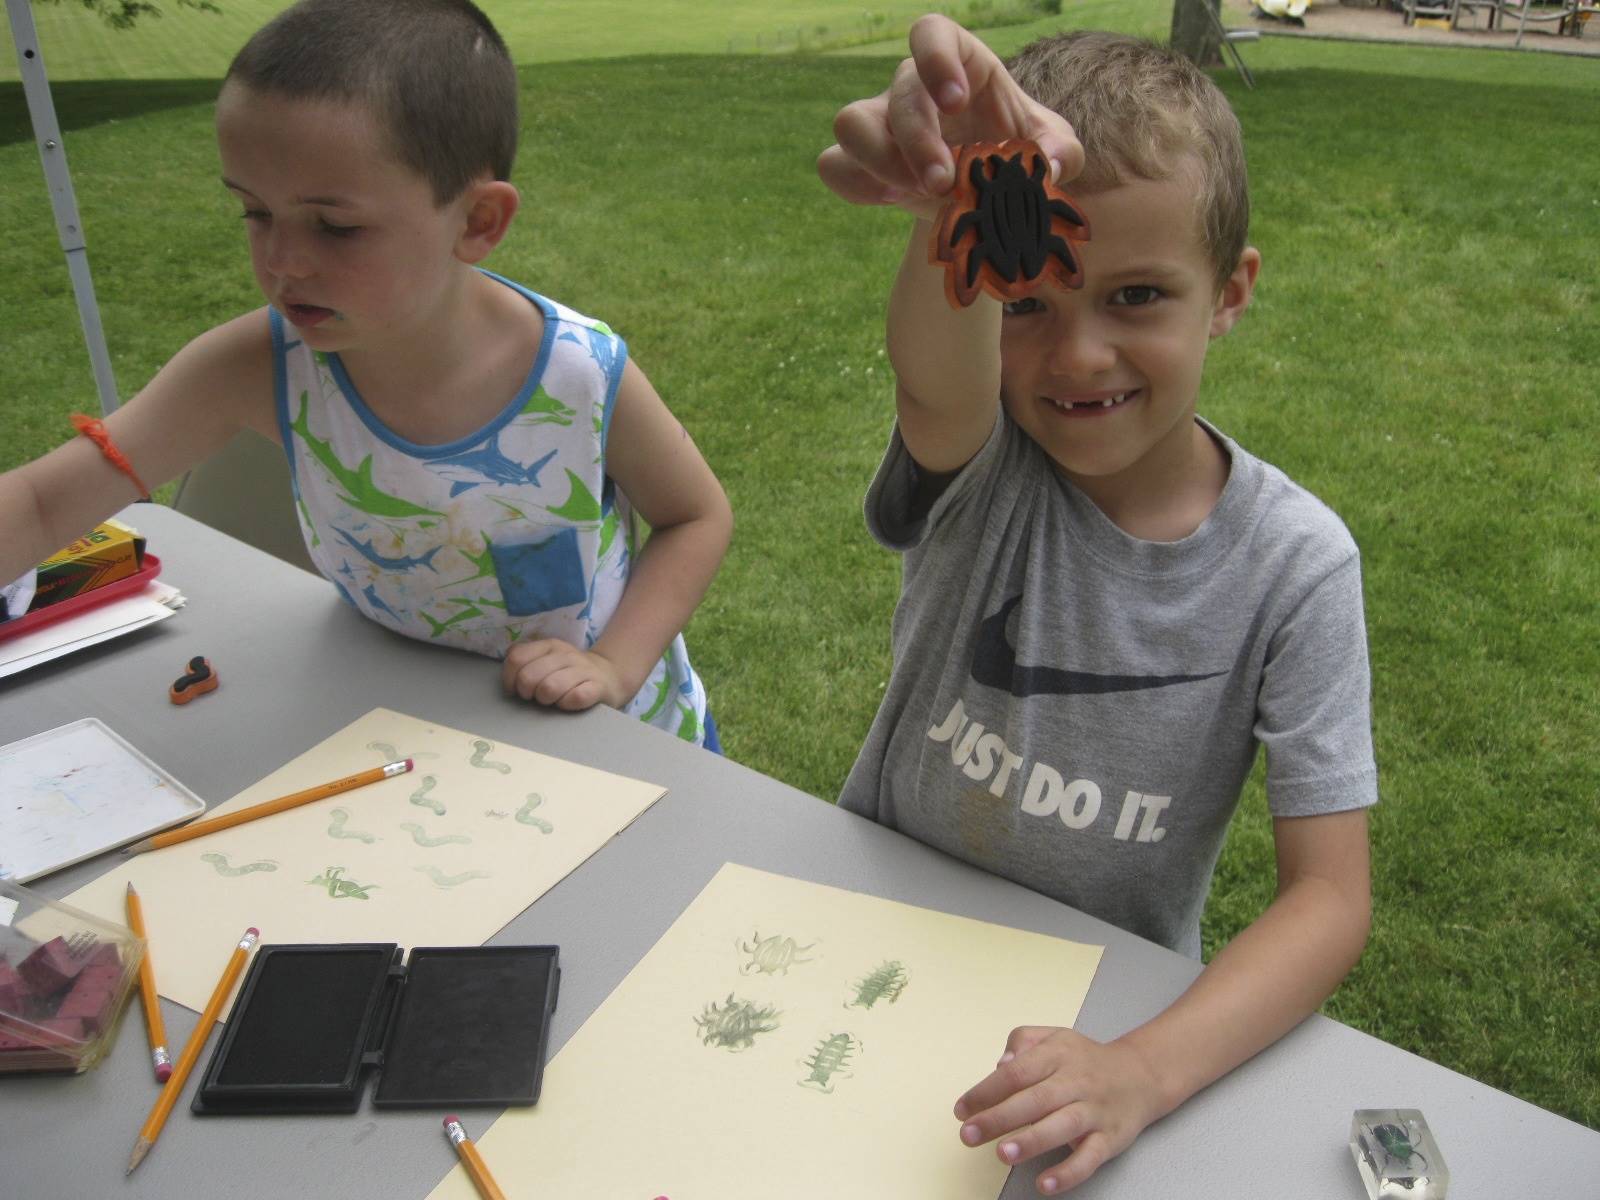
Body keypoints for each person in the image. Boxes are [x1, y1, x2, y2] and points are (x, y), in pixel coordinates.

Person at [818, 16, 1376, 1193]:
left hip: (1109, 1011)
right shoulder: (985, 464)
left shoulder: (1297, 568)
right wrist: (955, 197)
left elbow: (1327, 897)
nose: (1076, 357)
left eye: (1135, 296)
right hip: (870, 938)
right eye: (1025, 303)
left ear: (1229, 294)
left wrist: (1143, 1069)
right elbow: (936, 368)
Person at [0, 0, 731, 746]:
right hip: (402, 730)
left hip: (615, 739)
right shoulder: (254, 366)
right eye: (253, 213)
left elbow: (695, 517)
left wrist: (613, 665)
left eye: (335, 226)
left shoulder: (580, 374)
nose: (281, 261)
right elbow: (41, 501)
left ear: (478, 222)